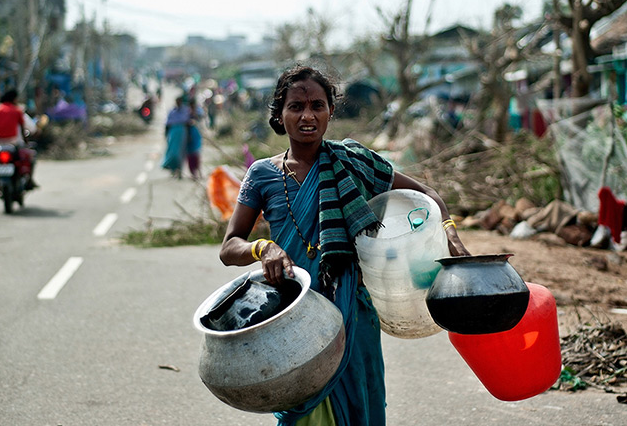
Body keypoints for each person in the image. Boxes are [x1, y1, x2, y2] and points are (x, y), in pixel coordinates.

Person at [219, 65, 470, 426]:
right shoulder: (262, 175)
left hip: (352, 310)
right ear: (279, 114)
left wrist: (449, 232)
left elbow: (426, 194)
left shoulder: (353, 160)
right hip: (294, 315)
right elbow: (229, 247)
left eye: (317, 105)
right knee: (301, 414)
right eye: (296, 106)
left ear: (330, 112)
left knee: (360, 409)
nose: (308, 115)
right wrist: (263, 249)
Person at [0, 88, 39, 189]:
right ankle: (29, 179)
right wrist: (26, 141)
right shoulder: (17, 111)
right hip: (15, 144)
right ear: (14, 99)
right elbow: (26, 128)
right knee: (30, 157)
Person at [161, 95, 190, 179]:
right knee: (173, 152)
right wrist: (166, 134)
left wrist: (188, 136)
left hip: (182, 134)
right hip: (173, 133)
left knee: (181, 153)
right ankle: (172, 169)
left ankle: (179, 170)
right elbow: (167, 124)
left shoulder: (185, 111)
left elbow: (187, 124)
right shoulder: (172, 111)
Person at [186, 97, 204, 180]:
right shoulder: (186, 112)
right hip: (188, 135)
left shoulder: (198, 111)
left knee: (196, 154)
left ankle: (198, 172)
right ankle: (193, 173)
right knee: (190, 155)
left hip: (196, 134)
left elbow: (201, 118)